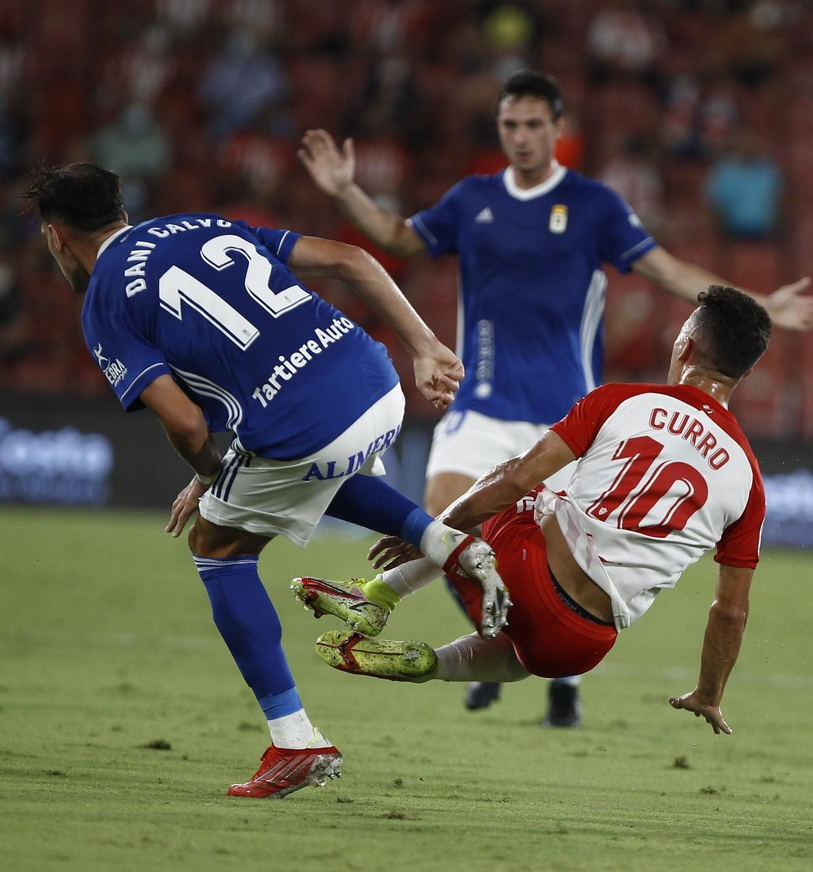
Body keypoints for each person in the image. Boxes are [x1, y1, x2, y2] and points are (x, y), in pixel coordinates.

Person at [297, 70, 813, 726]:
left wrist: (755, 303)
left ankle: (400, 605)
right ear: (500, 130)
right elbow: (400, 237)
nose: (520, 137)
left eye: (532, 124)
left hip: (565, 408)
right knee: (461, 519)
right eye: (509, 125)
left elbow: (670, 272)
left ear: (558, 129)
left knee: (484, 512)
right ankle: (485, 649)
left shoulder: (595, 209)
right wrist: (346, 190)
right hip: (486, 407)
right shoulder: (472, 199)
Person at [26, 163, 506, 799]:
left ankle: (295, 741)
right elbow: (353, 259)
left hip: (304, 420)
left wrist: (209, 478)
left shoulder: (105, 302)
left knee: (218, 548)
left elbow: (187, 423)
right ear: (121, 207)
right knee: (292, 472)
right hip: (375, 379)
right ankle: (451, 545)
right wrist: (423, 344)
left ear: (57, 237)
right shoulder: (195, 225)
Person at [293, 287, 771, 739]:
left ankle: (378, 594)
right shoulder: (749, 481)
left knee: (519, 485)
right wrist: (709, 694)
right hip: (581, 646)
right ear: (744, 375)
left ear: (684, 347)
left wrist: (432, 531)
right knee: (522, 653)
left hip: (526, 574)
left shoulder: (622, 401)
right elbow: (730, 611)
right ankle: (432, 663)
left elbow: (515, 480)